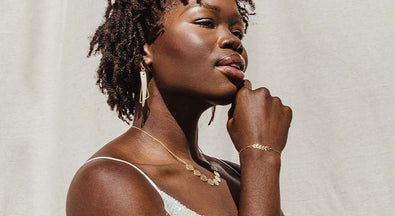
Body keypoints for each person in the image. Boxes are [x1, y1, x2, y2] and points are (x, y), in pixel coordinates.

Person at [66, 0, 292, 215]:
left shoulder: (238, 177)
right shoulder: (107, 180)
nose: (234, 41)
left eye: (237, 32)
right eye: (206, 23)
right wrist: (261, 155)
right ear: (145, 47)